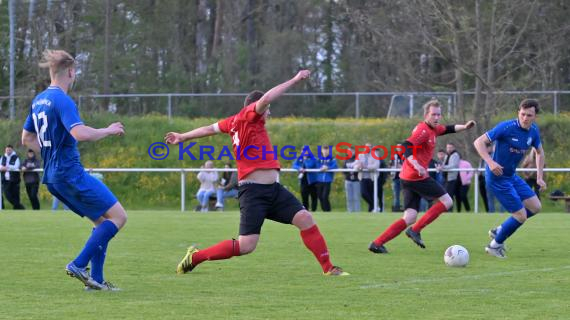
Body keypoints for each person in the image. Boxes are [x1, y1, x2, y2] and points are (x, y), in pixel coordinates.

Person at [165, 70, 348, 276]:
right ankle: (195, 257)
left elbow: (208, 129)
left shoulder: (233, 121)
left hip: (273, 191)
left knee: (305, 218)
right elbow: (268, 97)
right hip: (253, 193)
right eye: (267, 109)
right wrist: (295, 80)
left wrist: (182, 136)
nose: (269, 113)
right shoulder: (250, 116)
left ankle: (329, 268)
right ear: (258, 106)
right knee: (246, 246)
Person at [21, 49, 127, 290]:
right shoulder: (62, 100)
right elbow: (79, 133)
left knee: (101, 223)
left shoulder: (38, 101)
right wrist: (108, 130)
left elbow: (26, 138)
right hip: (69, 173)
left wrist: (52, 154)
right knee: (119, 217)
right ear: (70, 72)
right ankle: (79, 264)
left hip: (53, 177)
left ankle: (96, 281)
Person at [368, 99, 475, 254]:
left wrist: (464, 127)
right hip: (416, 176)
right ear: (426, 115)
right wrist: (417, 165)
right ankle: (416, 230)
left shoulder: (433, 129)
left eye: (439, 114)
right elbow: (406, 146)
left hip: (407, 177)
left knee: (409, 216)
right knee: (447, 201)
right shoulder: (423, 130)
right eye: (433, 114)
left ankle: (377, 243)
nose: (437, 117)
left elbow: (448, 129)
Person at [473, 99, 545, 258]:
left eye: (529, 115)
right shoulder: (506, 127)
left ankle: (500, 230)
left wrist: (539, 177)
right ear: (518, 113)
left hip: (511, 176)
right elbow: (478, 142)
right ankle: (495, 245)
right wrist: (490, 162)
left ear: (535, 117)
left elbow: (540, 152)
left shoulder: (533, 131)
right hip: (497, 177)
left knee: (535, 207)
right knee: (520, 215)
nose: (525, 118)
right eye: (522, 114)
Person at [354, 143, 380, 212]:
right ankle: (373, 205)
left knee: (372, 195)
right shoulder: (360, 155)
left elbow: (376, 165)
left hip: (372, 178)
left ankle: (371, 210)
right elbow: (355, 165)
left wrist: (366, 167)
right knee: (363, 193)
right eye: (366, 147)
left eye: (369, 147)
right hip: (362, 178)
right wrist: (359, 167)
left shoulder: (375, 155)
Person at [292, 148, 318, 212]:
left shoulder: (313, 158)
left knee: (314, 196)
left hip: (312, 181)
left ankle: (314, 210)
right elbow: (294, 165)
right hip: (303, 181)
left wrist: (305, 161)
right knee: (304, 196)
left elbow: (310, 165)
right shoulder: (299, 159)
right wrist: (299, 168)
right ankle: (306, 210)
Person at [1, 144, 25, 210]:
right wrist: (2, 168)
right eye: (7, 150)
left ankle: (17, 209)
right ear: (5, 150)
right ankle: (20, 207)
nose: (8, 151)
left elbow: (16, 166)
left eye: (9, 150)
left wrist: (7, 167)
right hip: (5, 180)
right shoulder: (3, 157)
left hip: (14, 180)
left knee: (16, 195)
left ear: (12, 150)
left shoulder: (16, 157)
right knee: (7, 195)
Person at [314, 146, 337, 212]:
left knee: (325, 196)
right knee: (320, 196)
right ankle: (324, 210)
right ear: (321, 151)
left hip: (327, 180)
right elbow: (316, 165)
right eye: (324, 150)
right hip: (319, 180)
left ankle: (328, 210)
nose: (325, 151)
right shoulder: (318, 159)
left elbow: (334, 166)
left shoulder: (332, 159)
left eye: (327, 150)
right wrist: (322, 167)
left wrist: (328, 167)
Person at [439, 143, 460, 210]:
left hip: (451, 178)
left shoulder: (455, 155)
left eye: (450, 147)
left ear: (454, 148)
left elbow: (453, 165)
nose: (449, 149)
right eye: (448, 147)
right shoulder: (447, 155)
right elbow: (444, 164)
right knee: (446, 194)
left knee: (449, 195)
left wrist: (443, 167)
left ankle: (449, 210)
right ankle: (446, 209)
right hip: (446, 178)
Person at [343, 147, 361, 213]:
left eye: (351, 151)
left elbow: (360, 167)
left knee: (356, 197)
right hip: (348, 180)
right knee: (349, 197)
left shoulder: (357, 158)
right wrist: (348, 173)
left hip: (356, 180)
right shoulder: (346, 159)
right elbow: (343, 170)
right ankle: (349, 211)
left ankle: (357, 211)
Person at [390, 147, 403, 212]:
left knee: (405, 194)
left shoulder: (406, 155)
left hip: (404, 178)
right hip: (395, 178)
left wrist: (402, 166)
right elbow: (390, 165)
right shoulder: (393, 156)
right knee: (396, 194)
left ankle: (406, 207)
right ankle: (396, 208)